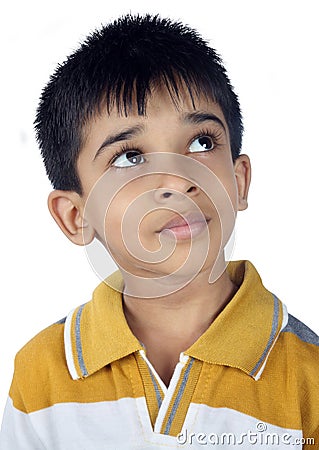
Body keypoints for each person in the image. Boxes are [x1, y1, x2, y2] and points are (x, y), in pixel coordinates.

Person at [0, 14, 318, 450]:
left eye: (202, 143)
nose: (178, 180)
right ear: (76, 216)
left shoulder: (309, 376)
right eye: (129, 157)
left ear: (240, 181)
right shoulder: (42, 373)